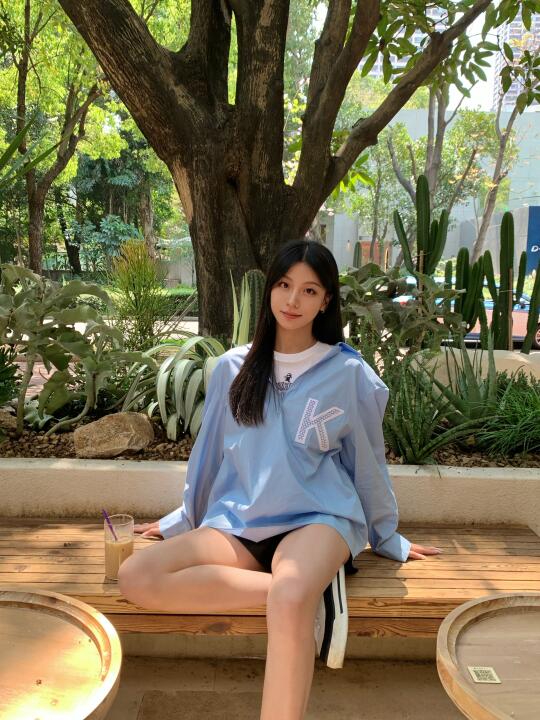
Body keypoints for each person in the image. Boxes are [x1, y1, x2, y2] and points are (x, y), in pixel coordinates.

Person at [118, 239, 442, 720]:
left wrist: (385, 535)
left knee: (290, 597)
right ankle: (312, 595)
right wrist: (183, 521)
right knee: (137, 575)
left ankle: (299, 592)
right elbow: (209, 455)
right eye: (284, 285)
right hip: (241, 521)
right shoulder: (232, 368)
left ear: (326, 300)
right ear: (270, 288)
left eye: (309, 290)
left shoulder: (347, 372)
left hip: (318, 519)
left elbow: (368, 462)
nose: (293, 300)